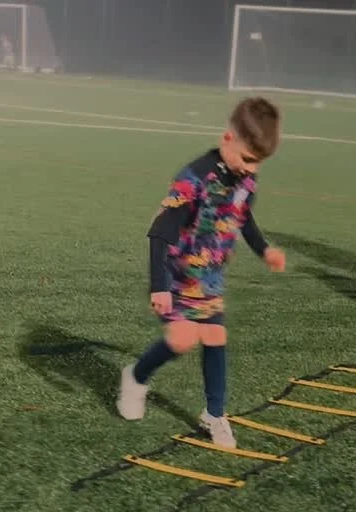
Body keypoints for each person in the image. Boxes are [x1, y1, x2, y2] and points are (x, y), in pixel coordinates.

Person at [117, 98, 286, 450]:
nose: (251, 169)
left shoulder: (246, 178)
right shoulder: (193, 178)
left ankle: (214, 414)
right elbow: (160, 232)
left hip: (209, 278)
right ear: (227, 138)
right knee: (182, 339)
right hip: (176, 274)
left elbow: (243, 217)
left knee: (214, 336)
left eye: (258, 163)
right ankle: (135, 377)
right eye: (246, 159)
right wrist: (159, 286)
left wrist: (264, 249)